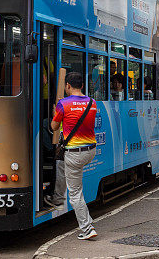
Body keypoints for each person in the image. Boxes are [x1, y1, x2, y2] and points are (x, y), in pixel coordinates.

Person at [49, 72, 98, 240]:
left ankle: (87, 228)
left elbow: (54, 126)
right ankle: (57, 195)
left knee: (75, 193)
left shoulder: (63, 104)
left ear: (68, 86)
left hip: (74, 154)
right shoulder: (92, 103)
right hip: (90, 151)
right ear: (82, 86)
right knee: (63, 167)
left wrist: (55, 113)